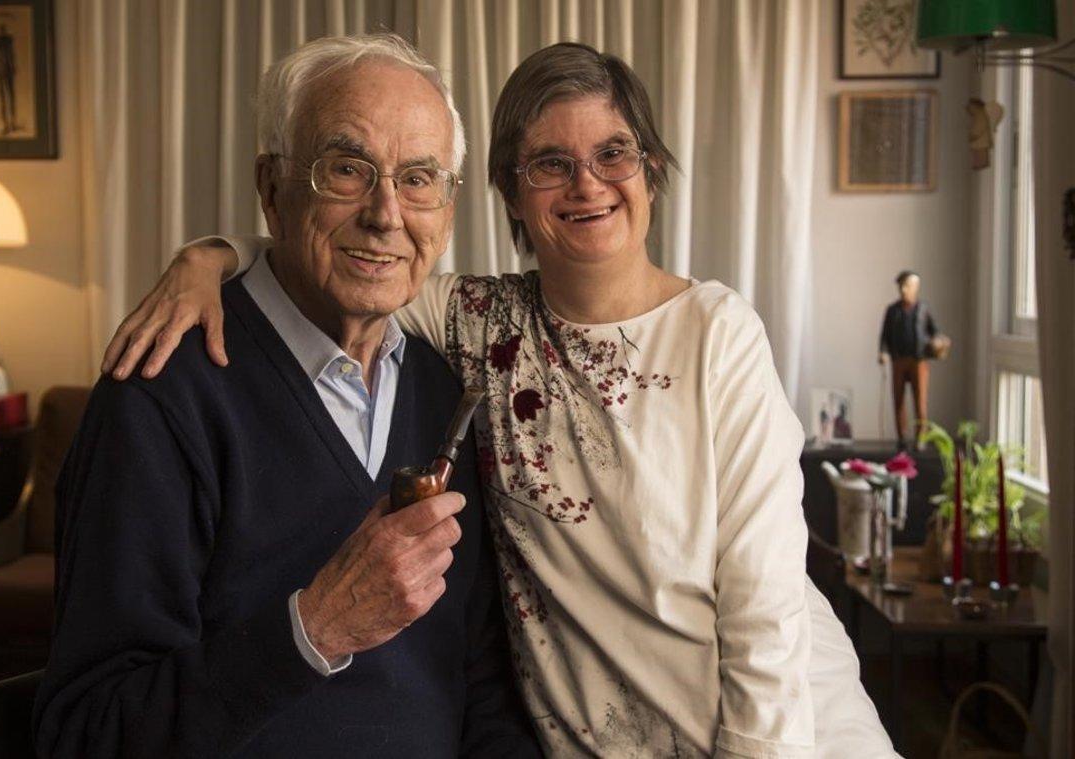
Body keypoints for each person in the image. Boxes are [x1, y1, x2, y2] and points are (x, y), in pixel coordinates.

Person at [105, 39, 897, 757]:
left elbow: (765, 624)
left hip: (781, 731)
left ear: (652, 167)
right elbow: (349, 251)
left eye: (614, 152)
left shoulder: (719, 335)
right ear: (507, 194)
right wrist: (209, 257)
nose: (586, 182)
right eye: (549, 162)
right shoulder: (479, 324)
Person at [33, 35, 540, 758]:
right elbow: (88, 731)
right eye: (346, 169)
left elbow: (483, 683)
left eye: (419, 178)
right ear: (271, 187)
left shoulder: (444, 386)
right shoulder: (160, 396)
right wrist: (314, 628)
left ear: (450, 204)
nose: (386, 213)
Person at [878, 270, 941, 449]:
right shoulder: (892, 311)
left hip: (918, 360)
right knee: (898, 399)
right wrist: (883, 352)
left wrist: (936, 342)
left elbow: (935, 330)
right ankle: (902, 436)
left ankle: (921, 436)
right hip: (899, 360)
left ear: (915, 287)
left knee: (920, 400)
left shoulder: (923, 309)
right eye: (902, 286)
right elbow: (884, 336)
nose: (904, 289)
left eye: (908, 285)